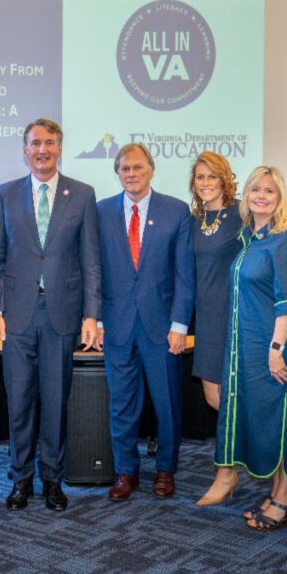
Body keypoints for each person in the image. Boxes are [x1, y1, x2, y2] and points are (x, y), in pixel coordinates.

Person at [0, 117, 102, 511]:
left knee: (55, 401)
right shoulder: (5, 194)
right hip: (17, 315)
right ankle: (20, 478)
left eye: (50, 143)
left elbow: (91, 260)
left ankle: (52, 479)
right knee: (19, 401)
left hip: (62, 315)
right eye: (35, 143)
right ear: (25, 150)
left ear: (59, 148)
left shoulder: (82, 194)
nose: (42, 149)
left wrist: (92, 315)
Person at [96, 144, 194, 501]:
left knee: (167, 402)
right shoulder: (101, 211)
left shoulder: (177, 211)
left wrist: (180, 325)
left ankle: (166, 470)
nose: (131, 174)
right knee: (121, 403)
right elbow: (95, 271)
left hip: (162, 328)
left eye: (138, 167)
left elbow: (186, 275)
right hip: (117, 325)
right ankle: (126, 471)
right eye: (124, 168)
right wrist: (96, 319)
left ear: (151, 170)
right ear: (117, 173)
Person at [213, 165, 287, 531]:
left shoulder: (286, 239)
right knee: (264, 424)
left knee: (283, 425)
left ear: (280, 198)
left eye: (269, 191)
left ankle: (285, 501)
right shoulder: (250, 239)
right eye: (255, 190)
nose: (261, 196)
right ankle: (277, 494)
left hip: (274, 350)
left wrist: (277, 347)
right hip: (248, 350)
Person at [188, 152, 244, 506]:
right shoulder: (193, 218)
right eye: (199, 177)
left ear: (224, 179)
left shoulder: (243, 213)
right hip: (206, 318)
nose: (205, 183)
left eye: (211, 177)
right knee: (214, 398)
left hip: (238, 316)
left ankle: (226, 473)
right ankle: (234, 469)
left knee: (239, 400)